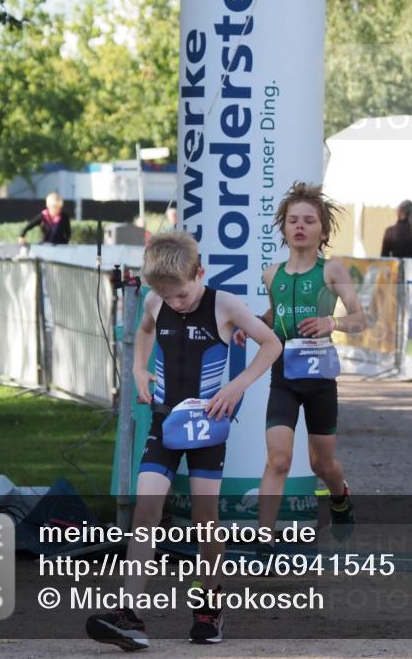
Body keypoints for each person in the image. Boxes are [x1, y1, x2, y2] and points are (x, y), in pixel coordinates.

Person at [85, 231, 281, 649]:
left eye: (182, 295)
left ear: (199, 273)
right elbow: (143, 331)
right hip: (165, 422)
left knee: (205, 519)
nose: (175, 303)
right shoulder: (156, 302)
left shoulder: (225, 304)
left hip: (208, 427)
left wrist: (237, 386)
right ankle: (129, 615)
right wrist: (139, 369)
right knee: (145, 512)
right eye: (167, 297)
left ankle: (210, 607)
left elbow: (271, 344)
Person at [235, 182, 367, 558]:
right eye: (293, 220)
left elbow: (361, 318)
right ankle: (264, 542)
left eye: (309, 221)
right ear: (283, 228)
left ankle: (340, 497)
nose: (300, 226)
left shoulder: (332, 270)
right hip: (285, 377)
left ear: (323, 231)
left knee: (321, 464)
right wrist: (253, 326)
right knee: (279, 459)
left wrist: (332, 323)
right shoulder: (271, 274)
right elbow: (276, 314)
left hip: (320, 378)